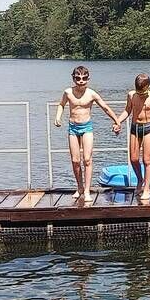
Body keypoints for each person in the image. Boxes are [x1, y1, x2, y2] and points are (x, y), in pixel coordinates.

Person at [54, 66, 120, 203]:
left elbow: (105, 107)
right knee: (75, 160)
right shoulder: (68, 92)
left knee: (87, 159)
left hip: (87, 127)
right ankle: (79, 187)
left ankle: (87, 190)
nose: (81, 81)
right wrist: (58, 117)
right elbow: (61, 104)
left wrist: (117, 121)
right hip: (73, 127)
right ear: (73, 78)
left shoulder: (91, 94)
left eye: (84, 78)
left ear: (88, 79)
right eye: (78, 78)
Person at [113, 73, 150, 201]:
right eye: (139, 92)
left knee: (147, 160)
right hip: (135, 127)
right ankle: (140, 179)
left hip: (148, 128)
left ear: (148, 87)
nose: (141, 94)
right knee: (133, 159)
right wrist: (118, 121)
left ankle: (147, 188)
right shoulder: (131, 95)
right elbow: (127, 110)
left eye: (143, 92)